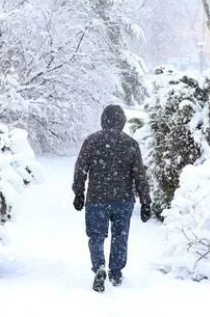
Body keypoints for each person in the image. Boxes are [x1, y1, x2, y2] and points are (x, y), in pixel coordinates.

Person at [72, 104, 152, 292]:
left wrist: (79, 192)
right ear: (122, 122)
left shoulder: (92, 141)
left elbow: (81, 168)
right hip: (123, 200)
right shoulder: (131, 143)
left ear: (103, 120)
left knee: (96, 236)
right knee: (119, 237)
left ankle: (99, 267)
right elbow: (140, 174)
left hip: (96, 198)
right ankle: (115, 273)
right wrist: (145, 201)